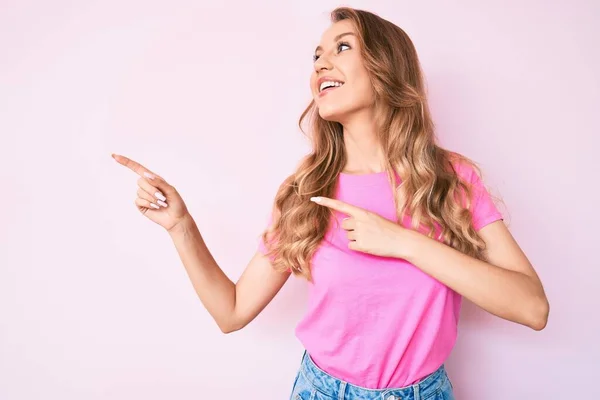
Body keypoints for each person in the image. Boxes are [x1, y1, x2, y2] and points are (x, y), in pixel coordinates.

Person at [112, 6, 549, 400]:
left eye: (342, 47)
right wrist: (180, 226)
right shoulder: (307, 190)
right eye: (317, 54)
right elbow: (232, 311)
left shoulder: (450, 180)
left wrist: (404, 242)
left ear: (385, 70)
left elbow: (532, 307)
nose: (321, 62)